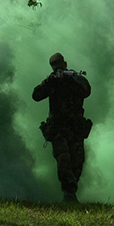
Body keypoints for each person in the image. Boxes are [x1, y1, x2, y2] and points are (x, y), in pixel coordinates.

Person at [32, 53, 92, 203]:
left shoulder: (76, 78)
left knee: (77, 162)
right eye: (54, 65)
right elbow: (36, 96)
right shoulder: (52, 81)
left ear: (65, 63)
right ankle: (69, 192)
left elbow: (86, 91)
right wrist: (48, 82)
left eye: (59, 64)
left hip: (75, 128)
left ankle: (72, 191)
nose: (57, 67)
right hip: (59, 129)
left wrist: (70, 81)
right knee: (63, 159)